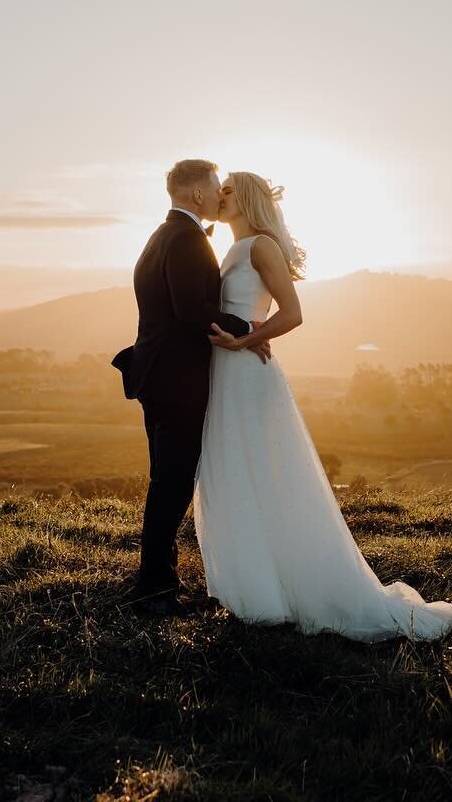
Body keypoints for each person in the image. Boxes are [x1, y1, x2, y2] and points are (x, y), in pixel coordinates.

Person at [194, 171, 452, 642]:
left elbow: (293, 313)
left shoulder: (261, 245)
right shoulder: (230, 248)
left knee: (264, 473)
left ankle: (292, 590)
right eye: (219, 191)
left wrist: (247, 340)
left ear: (249, 200)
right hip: (226, 372)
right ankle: (257, 591)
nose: (220, 197)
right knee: (235, 472)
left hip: (246, 372)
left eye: (228, 191)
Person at [111, 159, 270, 616]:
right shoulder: (185, 239)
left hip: (157, 375)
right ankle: (155, 587)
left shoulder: (162, 235)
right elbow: (189, 309)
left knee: (166, 480)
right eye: (216, 187)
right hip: (176, 379)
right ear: (198, 194)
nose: (221, 194)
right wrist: (248, 327)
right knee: (172, 483)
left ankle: (154, 578)